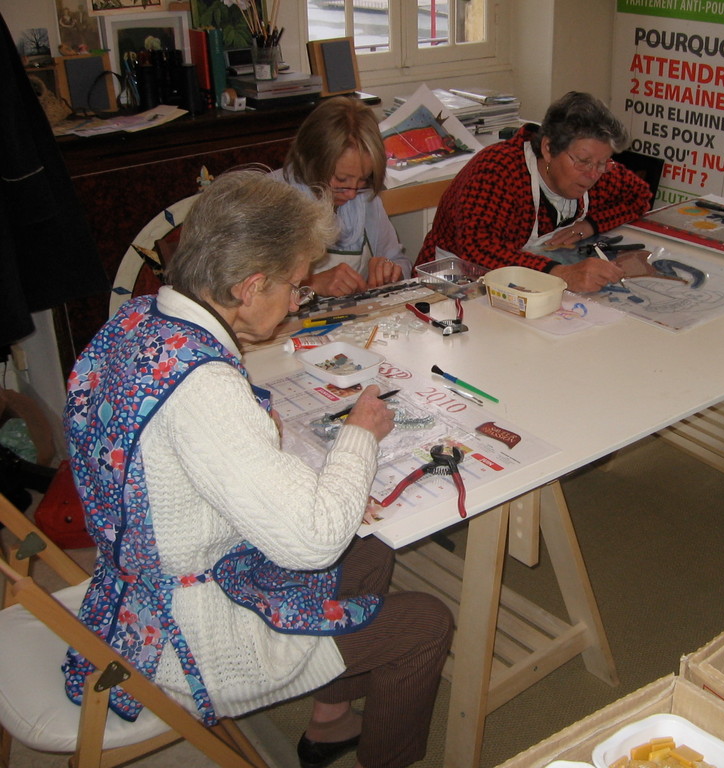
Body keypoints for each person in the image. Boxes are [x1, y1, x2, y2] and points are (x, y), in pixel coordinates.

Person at [62, 168, 453, 768]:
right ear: (249, 286)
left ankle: (329, 722)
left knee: (370, 548)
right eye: (295, 287)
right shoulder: (204, 389)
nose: (300, 300)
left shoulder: (140, 321)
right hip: (182, 633)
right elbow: (312, 542)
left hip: (133, 581)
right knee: (425, 620)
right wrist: (357, 437)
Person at [416, 91, 652, 294]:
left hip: (528, 289)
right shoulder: (496, 170)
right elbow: (479, 249)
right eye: (582, 161)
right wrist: (560, 274)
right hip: (454, 287)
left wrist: (590, 225)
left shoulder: (597, 171)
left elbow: (639, 196)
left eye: (603, 163)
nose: (593, 174)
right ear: (548, 148)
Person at [273, 96, 411, 297]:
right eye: (341, 179)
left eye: (363, 180)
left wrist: (392, 272)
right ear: (311, 162)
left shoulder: (365, 200)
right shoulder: (270, 203)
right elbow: (246, 301)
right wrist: (310, 285)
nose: (352, 193)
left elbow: (400, 261)